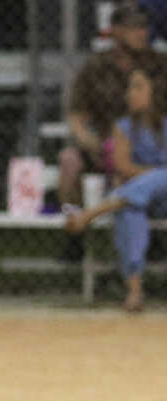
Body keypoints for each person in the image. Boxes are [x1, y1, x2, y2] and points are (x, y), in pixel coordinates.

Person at [65, 64, 167, 311]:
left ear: (157, 92)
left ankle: (92, 213)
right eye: (129, 87)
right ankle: (135, 291)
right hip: (139, 198)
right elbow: (123, 166)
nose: (129, 94)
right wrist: (156, 175)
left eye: (138, 87)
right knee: (129, 211)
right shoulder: (123, 127)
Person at [57, 1, 161, 209]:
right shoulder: (96, 67)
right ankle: (75, 230)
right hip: (104, 147)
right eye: (134, 27)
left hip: (149, 148)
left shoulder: (159, 64)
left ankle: (152, 234)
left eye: (145, 27)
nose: (142, 33)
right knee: (69, 160)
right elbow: (77, 116)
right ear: (116, 31)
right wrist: (94, 143)